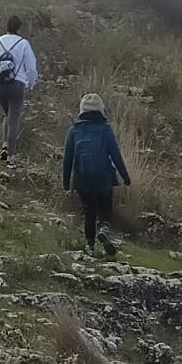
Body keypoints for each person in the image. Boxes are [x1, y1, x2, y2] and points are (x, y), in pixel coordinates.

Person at [59, 93, 130, 256]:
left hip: (82, 178)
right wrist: (125, 177)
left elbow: (67, 158)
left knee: (89, 211)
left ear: (82, 110)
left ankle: (90, 247)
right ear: (101, 110)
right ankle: (104, 228)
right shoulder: (106, 129)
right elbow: (116, 156)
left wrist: (66, 182)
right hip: (103, 177)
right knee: (105, 208)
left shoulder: (74, 130)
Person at [0, 15, 38, 159]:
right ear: (19, 28)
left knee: (7, 115)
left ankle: (4, 145)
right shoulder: (23, 43)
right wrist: (31, 83)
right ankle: (11, 154)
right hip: (16, 84)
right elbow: (31, 68)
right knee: (13, 119)